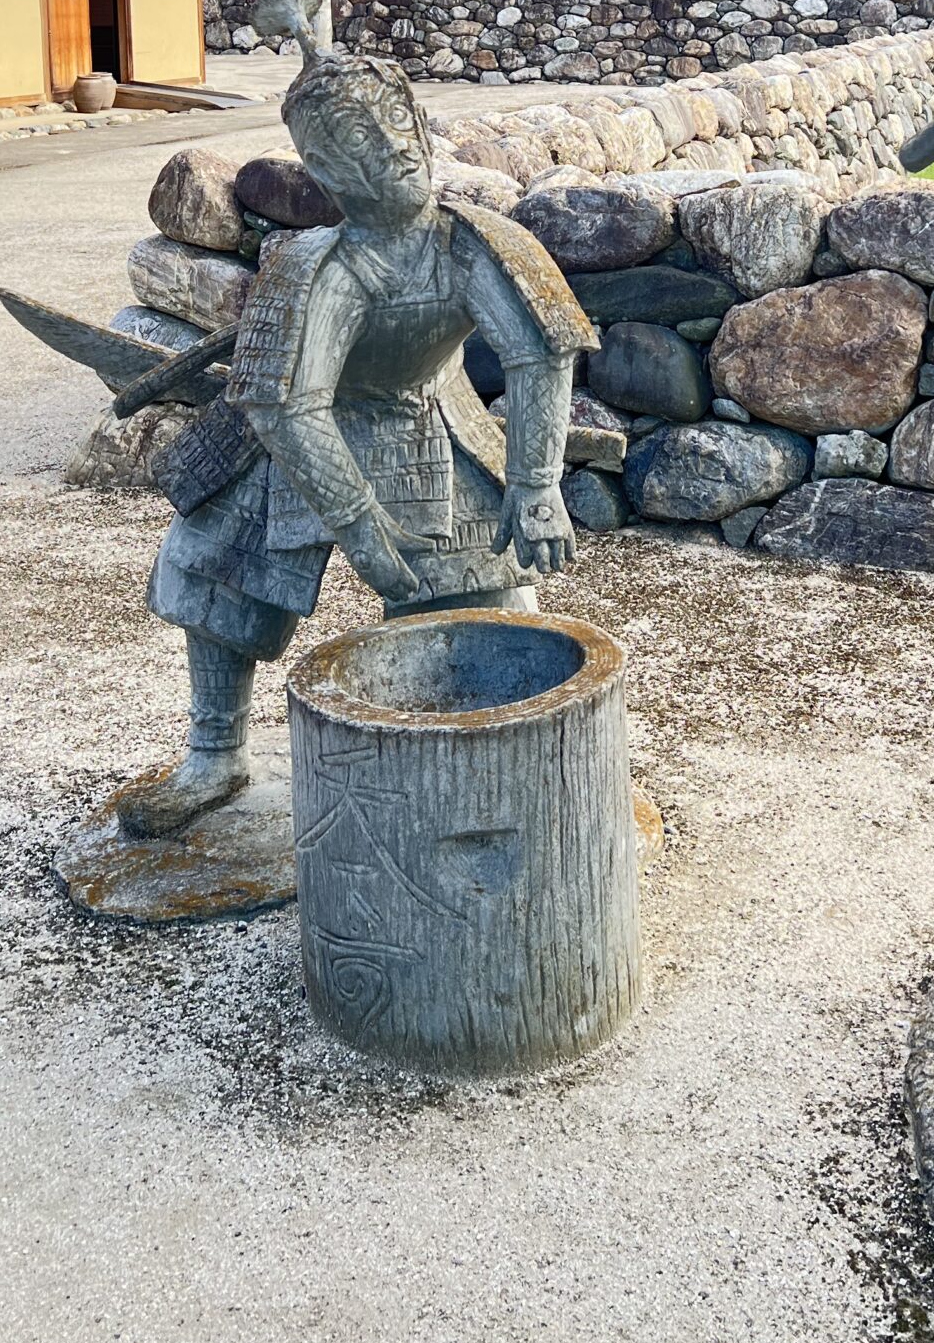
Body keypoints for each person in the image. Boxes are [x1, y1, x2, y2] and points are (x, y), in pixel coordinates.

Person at [124, 48, 592, 843]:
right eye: (355, 141)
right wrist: (361, 525)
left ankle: (518, 746)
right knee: (210, 572)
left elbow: (538, 349)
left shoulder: (473, 242)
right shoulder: (318, 266)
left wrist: (536, 485)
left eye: (396, 127)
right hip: (285, 436)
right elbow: (291, 404)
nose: (391, 149)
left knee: (487, 587)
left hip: (426, 418)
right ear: (324, 168)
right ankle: (214, 752)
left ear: (417, 123)